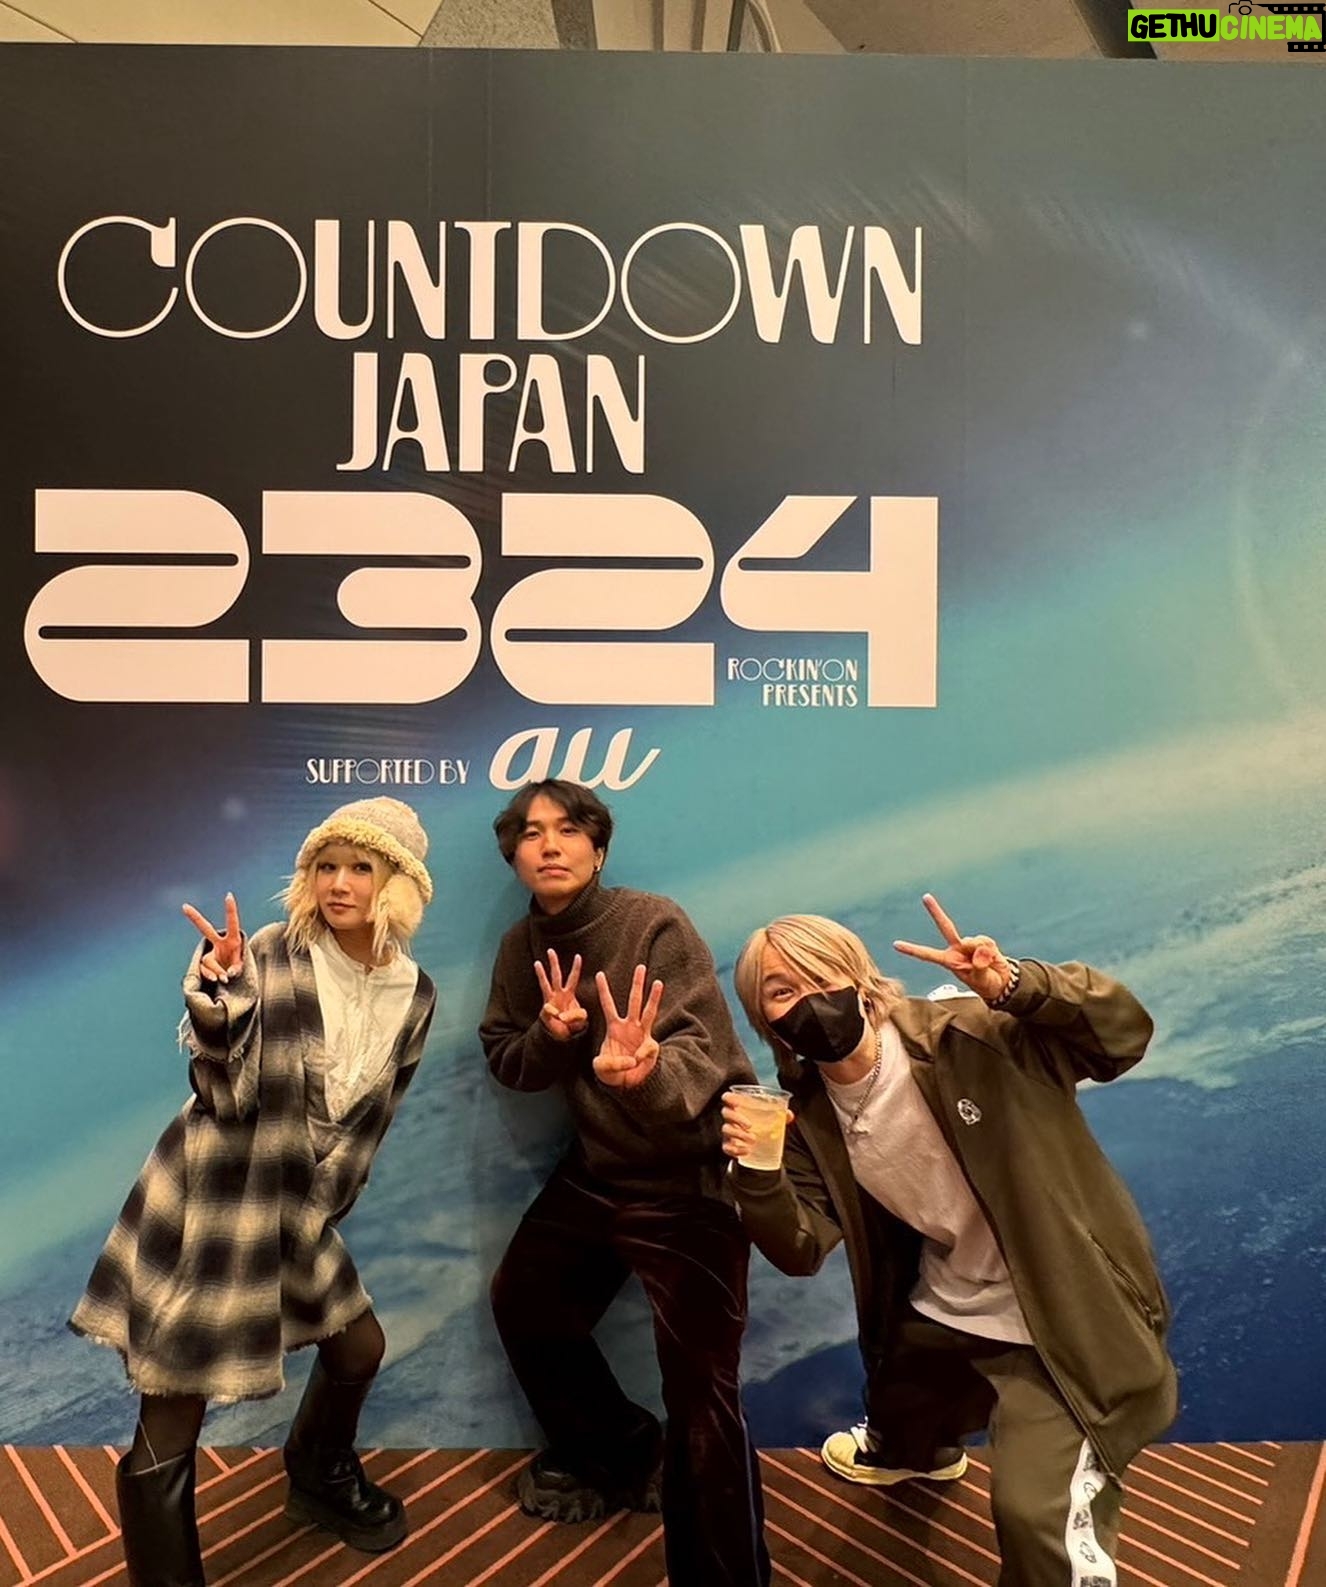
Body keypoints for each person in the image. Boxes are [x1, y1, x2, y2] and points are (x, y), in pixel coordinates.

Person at [723, 896, 1177, 1587]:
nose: (809, 1000)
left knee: (1032, 1516)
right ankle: (913, 1454)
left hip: (1060, 1316)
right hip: (947, 1299)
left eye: (822, 976)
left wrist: (1017, 985)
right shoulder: (807, 1115)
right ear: (767, 1023)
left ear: (860, 980)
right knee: (901, 1391)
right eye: (782, 991)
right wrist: (756, 1173)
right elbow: (800, 1248)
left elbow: (1123, 1035)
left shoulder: (970, 1034)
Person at [70, 797, 437, 1587]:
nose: (338, 883)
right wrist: (221, 996)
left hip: (296, 1208)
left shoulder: (416, 991)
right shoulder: (269, 952)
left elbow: (374, 1116)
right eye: (325, 865)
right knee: (175, 1399)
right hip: (215, 1197)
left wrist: (322, 1208)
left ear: (400, 883)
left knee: (359, 1346)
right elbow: (221, 1089)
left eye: (361, 867)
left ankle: (318, 1476)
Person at [480, 778, 770, 1587]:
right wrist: (551, 1037)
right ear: (515, 858)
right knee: (525, 1301)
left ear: (599, 849)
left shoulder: (652, 922)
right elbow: (507, 1059)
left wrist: (642, 1072)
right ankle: (632, 1455)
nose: (549, 844)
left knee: (703, 1393)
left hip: (690, 1169)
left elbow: (703, 1059)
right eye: (531, 833)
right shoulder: (519, 949)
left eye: (569, 829)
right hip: (603, 1166)